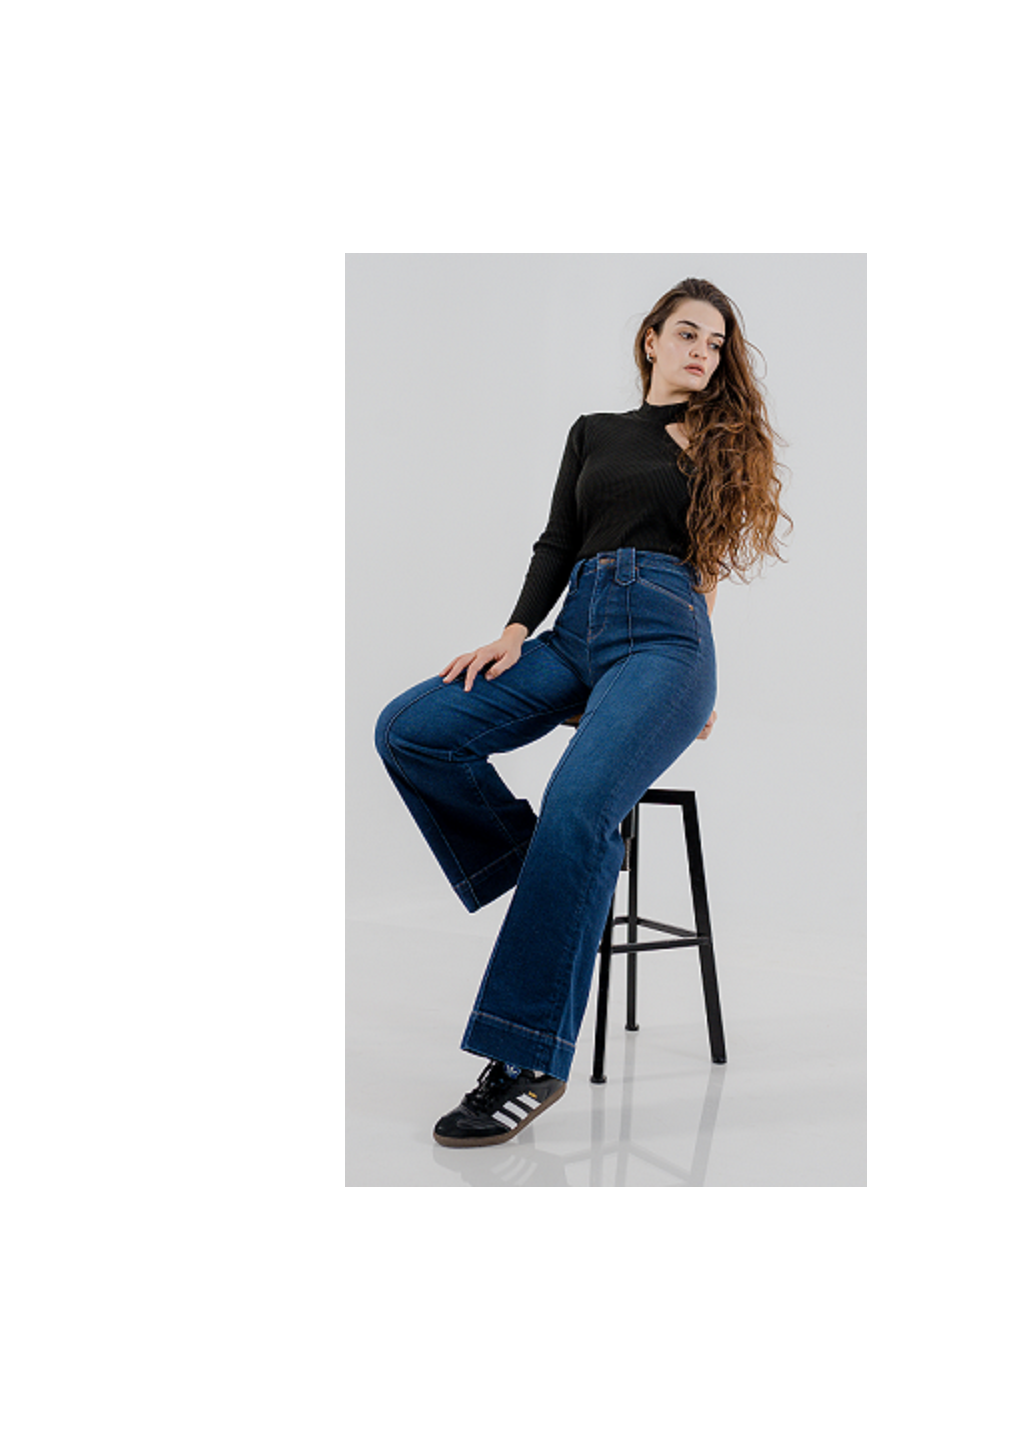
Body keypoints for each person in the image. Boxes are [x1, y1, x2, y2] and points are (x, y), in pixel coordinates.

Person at [374, 277, 789, 1148]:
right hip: (573, 632)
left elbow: (707, 566)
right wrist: (514, 632)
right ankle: (552, 864)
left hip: (666, 642)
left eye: (716, 344)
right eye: (688, 333)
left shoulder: (720, 438)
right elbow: (559, 540)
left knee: (577, 803)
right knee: (412, 730)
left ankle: (526, 1061)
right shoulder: (593, 432)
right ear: (651, 339)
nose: (703, 352)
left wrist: (691, 689)